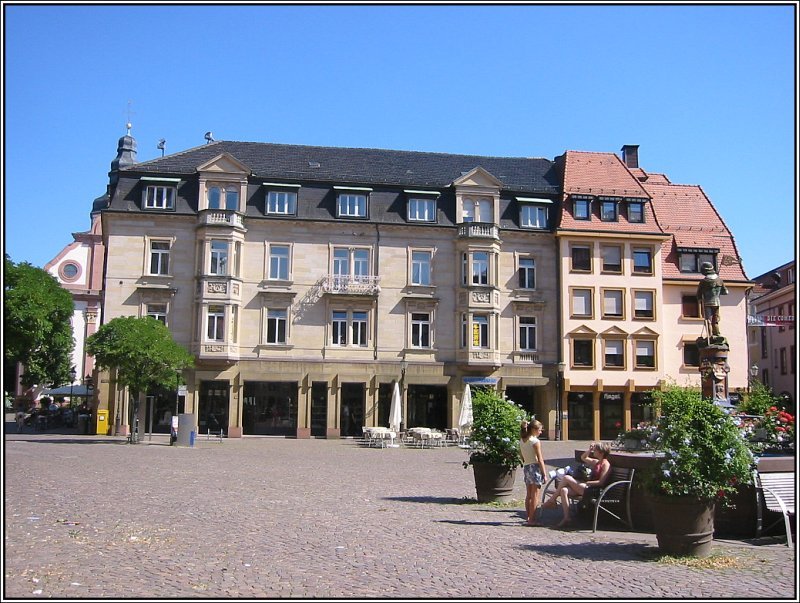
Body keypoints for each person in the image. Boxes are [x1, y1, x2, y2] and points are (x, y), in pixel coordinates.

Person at [542, 441, 612, 529]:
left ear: (601, 453)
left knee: (567, 478)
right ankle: (567, 518)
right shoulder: (596, 462)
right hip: (586, 488)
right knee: (564, 490)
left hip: (594, 490)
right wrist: (589, 450)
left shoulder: (606, 465)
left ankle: (552, 500)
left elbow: (601, 482)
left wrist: (585, 483)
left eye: (596, 450)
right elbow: (583, 457)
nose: (594, 452)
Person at [519, 419, 549, 526]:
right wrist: (544, 474)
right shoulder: (535, 441)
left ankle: (528, 516)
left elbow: (521, 455)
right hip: (535, 467)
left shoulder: (522, 440)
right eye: (540, 430)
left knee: (529, 495)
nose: (541, 432)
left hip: (527, 466)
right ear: (534, 429)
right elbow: (540, 459)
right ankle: (532, 520)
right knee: (535, 495)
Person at [696, 261, 728, 338]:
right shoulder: (720, 280)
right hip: (717, 303)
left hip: (707, 303)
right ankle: (717, 333)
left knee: (708, 320)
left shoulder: (703, 281)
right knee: (715, 319)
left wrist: (700, 299)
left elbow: (699, 294)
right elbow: (726, 292)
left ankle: (710, 336)